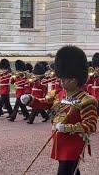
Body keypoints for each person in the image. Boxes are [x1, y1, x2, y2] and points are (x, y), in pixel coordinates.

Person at [21, 45, 98, 175]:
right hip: (60, 142)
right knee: (72, 171)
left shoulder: (86, 100)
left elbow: (90, 126)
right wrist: (30, 99)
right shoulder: (60, 94)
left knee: (65, 171)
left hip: (74, 145)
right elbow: (45, 104)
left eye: (65, 79)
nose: (61, 81)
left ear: (75, 79)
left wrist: (67, 128)